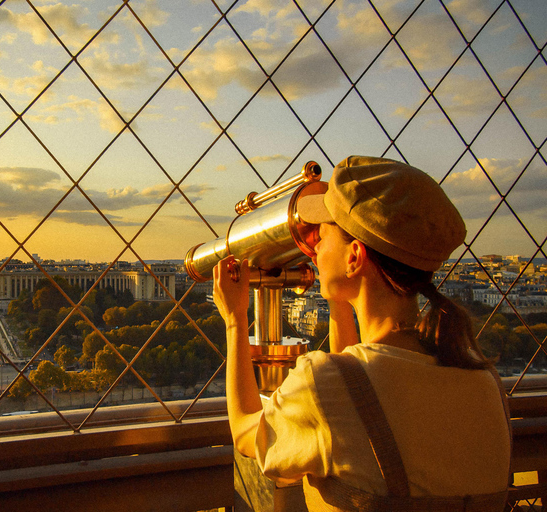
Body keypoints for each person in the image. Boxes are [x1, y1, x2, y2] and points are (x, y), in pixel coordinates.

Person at [213, 156, 511, 511]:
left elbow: (245, 433)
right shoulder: (484, 380)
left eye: (322, 236)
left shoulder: (325, 384)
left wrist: (235, 319)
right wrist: (338, 292)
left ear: (354, 257)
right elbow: (357, 391)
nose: (314, 249)